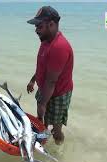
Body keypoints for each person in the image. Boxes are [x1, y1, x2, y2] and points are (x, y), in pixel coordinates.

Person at [26, 6, 74, 145]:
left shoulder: (59, 47)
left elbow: (52, 81)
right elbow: (42, 66)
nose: (36, 30)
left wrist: (42, 104)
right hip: (46, 89)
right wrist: (33, 80)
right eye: (36, 26)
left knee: (56, 129)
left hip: (58, 94)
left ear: (51, 24)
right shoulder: (46, 41)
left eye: (39, 26)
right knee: (42, 122)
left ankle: (59, 151)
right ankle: (43, 139)